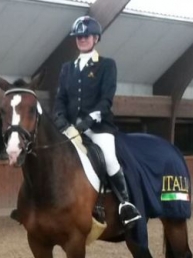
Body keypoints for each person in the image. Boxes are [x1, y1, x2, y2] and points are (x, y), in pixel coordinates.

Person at [52, 16, 141, 228]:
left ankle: (125, 205)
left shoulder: (107, 65)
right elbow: (60, 100)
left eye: (86, 36)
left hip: (98, 128)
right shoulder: (67, 68)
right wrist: (62, 121)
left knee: (109, 158)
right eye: (78, 36)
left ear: (96, 38)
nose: (82, 39)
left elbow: (106, 99)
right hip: (71, 129)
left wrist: (89, 120)